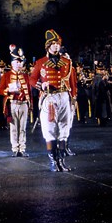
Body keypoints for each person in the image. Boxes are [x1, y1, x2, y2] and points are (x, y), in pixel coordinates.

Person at [28, 29, 77, 172]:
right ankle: (53, 162)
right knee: (49, 130)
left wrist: (73, 98)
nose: (56, 46)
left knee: (64, 129)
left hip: (64, 96)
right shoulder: (41, 62)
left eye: (58, 44)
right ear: (48, 46)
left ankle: (61, 161)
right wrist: (40, 85)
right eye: (53, 44)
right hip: (49, 98)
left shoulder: (67, 62)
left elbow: (73, 82)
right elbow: (31, 79)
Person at [0, 45, 32, 157]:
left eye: (20, 62)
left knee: (22, 128)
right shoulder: (6, 76)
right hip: (13, 104)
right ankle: (15, 148)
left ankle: (22, 148)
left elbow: (30, 91)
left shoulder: (26, 76)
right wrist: (8, 90)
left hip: (23, 104)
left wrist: (30, 104)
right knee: (14, 128)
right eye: (17, 62)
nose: (19, 64)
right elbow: (0, 90)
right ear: (12, 63)